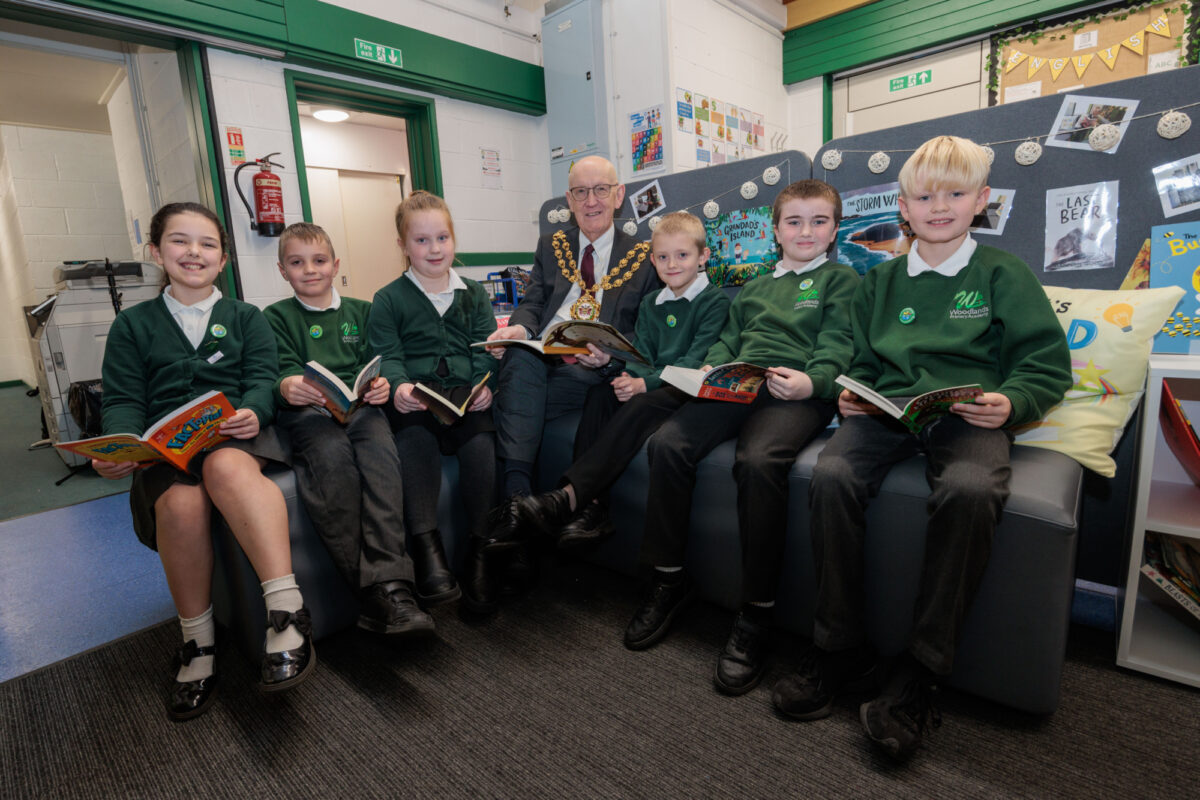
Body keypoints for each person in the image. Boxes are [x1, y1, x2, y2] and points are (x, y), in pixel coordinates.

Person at [774, 135, 1071, 760]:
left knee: (969, 488)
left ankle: (921, 670)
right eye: (924, 196)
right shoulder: (878, 281)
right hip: (888, 413)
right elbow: (856, 361)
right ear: (903, 207)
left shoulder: (1001, 273)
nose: (940, 207)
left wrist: (1011, 403)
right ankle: (837, 646)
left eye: (956, 194)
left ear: (981, 201)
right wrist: (852, 395)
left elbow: (1044, 367)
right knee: (831, 474)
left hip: (968, 418)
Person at [623, 180, 859, 696]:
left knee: (757, 461)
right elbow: (732, 336)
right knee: (669, 443)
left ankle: (757, 613)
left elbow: (838, 342)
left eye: (819, 221)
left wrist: (812, 382)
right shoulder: (754, 286)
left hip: (796, 393)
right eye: (793, 221)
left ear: (835, 229)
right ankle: (668, 578)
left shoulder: (842, 280)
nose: (805, 231)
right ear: (776, 230)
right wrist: (712, 365)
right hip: (739, 382)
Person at [94, 202, 314, 721]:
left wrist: (254, 411)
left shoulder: (246, 317)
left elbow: (263, 379)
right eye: (179, 240)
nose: (193, 252)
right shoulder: (132, 325)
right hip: (167, 452)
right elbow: (123, 398)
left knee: (224, 467)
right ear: (156, 252)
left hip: (235, 440)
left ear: (223, 259)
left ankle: (286, 615)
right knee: (180, 507)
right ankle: (198, 644)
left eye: (207, 244)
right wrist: (117, 444)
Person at [491, 211, 730, 549]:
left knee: (634, 398)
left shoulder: (714, 301)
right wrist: (629, 376)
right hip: (643, 378)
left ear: (703, 256)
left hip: (681, 388)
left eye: (682, 255)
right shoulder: (652, 302)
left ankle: (571, 498)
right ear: (653, 260)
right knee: (601, 395)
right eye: (662, 257)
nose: (672, 264)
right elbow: (641, 352)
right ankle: (591, 509)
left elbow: (694, 360)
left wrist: (644, 383)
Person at [483, 156, 661, 584]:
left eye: (601, 190)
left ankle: (515, 515)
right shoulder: (551, 244)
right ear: (568, 199)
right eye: (581, 192)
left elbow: (646, 329)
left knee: (502, 405)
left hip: (590, 366)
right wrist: (519, 329)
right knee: (520, 356)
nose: (591, 201)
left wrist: (611, 357)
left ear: (619, 196)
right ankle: (521, 502)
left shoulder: (643, 255)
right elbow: (533, 300)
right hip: (542, 355)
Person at [264, 223, 435, 637]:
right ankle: (373, 593)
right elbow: (277, 374)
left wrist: (380, 387)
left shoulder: (362, 310)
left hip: (360, 410)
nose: (310, 270)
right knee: (332, 462)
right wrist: (288, 387)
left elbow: (379, 362)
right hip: (309, 416)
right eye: (297, 263)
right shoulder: (275, 317)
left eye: (319, 261)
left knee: (380, 457)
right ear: (282, 270)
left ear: (335, 265)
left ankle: (393, 584)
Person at [368, 191, 501, 614]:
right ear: (403, 246)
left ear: (453, 240)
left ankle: (480, 553)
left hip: (465, 401)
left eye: (442, 238)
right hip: (417, 404)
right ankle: (428, 551)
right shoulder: (389, 298)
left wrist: (485, 385)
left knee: (481, 448)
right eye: (421, 241)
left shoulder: (474, 294)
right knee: (414, 444)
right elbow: (387, 354)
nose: (434, 249)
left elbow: (483, 348)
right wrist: (400, 386)